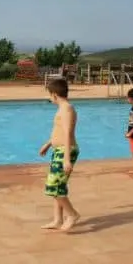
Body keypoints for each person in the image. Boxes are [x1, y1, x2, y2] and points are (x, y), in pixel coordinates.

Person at [39, 78, 81, 232]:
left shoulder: (67, 109)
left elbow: (68, 134)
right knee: (59, 186)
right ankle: (57, 220)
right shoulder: (63, 108)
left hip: (65, 151)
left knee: (53, 186)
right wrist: (48, 143)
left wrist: (67, 160)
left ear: (55, 94)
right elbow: (59, 131)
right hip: (59, 150)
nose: (50, 98)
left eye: (50, 95)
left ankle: (72, 214)